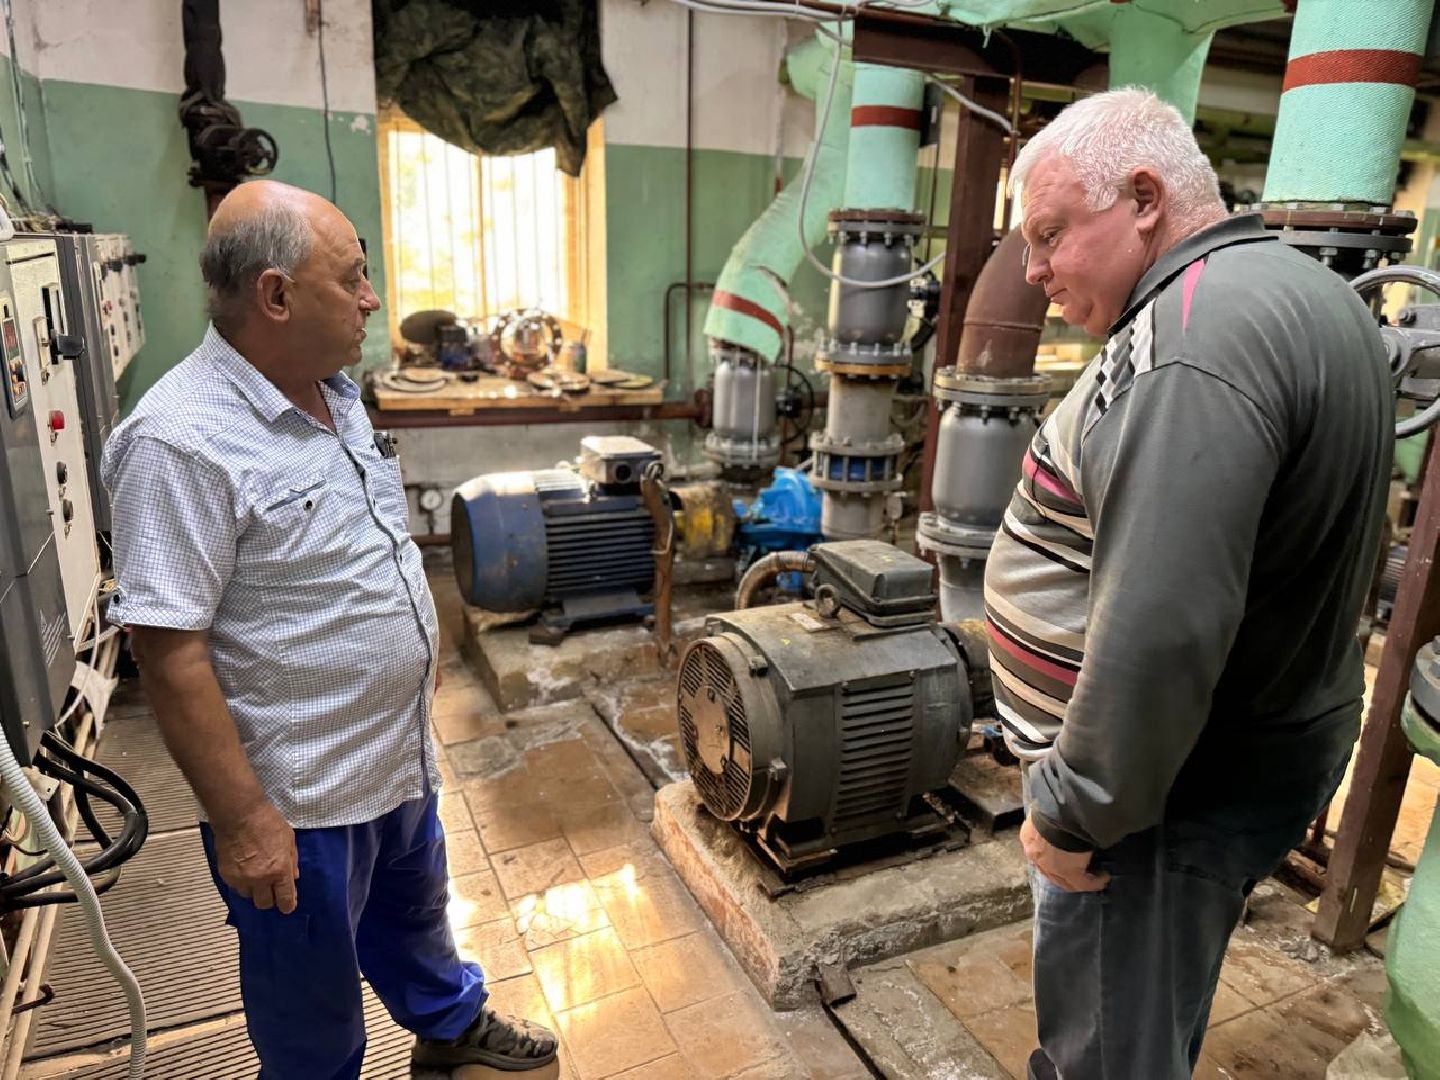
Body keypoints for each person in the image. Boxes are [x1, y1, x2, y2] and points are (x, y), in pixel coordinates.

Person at [102, 181, 559, 1078]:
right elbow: (171, 652)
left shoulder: (332, 391)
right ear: (275, 296)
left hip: (393, 757)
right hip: (298, 799)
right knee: (309, 1004)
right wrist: (243, 824)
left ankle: (447, 1028)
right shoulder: (178, 441)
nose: (373, 299)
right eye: (352, 278)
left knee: (416, 917)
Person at [982, 89, 1392, 1078]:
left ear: (1145, 198)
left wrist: (1074, 809)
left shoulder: (1188, 346)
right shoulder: (1307, 293)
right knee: (1148, 1021)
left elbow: (1161, 628)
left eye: (1050, 235)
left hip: (1157, 802)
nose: (1032, 272)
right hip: (1249, 753)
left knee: (1109, 1051)